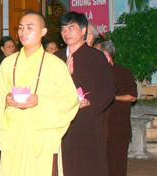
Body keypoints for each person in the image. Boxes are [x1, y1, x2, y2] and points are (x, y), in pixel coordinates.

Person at [0, 12, 79, 175]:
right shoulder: (8, 63)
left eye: (30, 28)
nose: (23, 32)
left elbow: (69, 101)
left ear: (43, 32)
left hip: (40, 136)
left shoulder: (56, 65)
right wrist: (5, 99)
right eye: (20, 28)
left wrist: (39, 101)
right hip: (14, 134)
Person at [56, 12, 115, 176]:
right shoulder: (55, 58)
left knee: (87, 166)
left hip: (86, 120)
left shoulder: (96, 57)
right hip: (61, 121)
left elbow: (108, 90)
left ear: (83, 31)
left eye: (71, 28)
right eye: (63, 29)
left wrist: (91, 103)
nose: (66, 32)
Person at [96, 40, 137, 176]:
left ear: (106, 55)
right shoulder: (96, 74)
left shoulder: (123, 72)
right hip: (99, 127)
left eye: (97, 53)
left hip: (118, 127)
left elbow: (132, 96)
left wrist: (112, 98)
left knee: (117, 164)